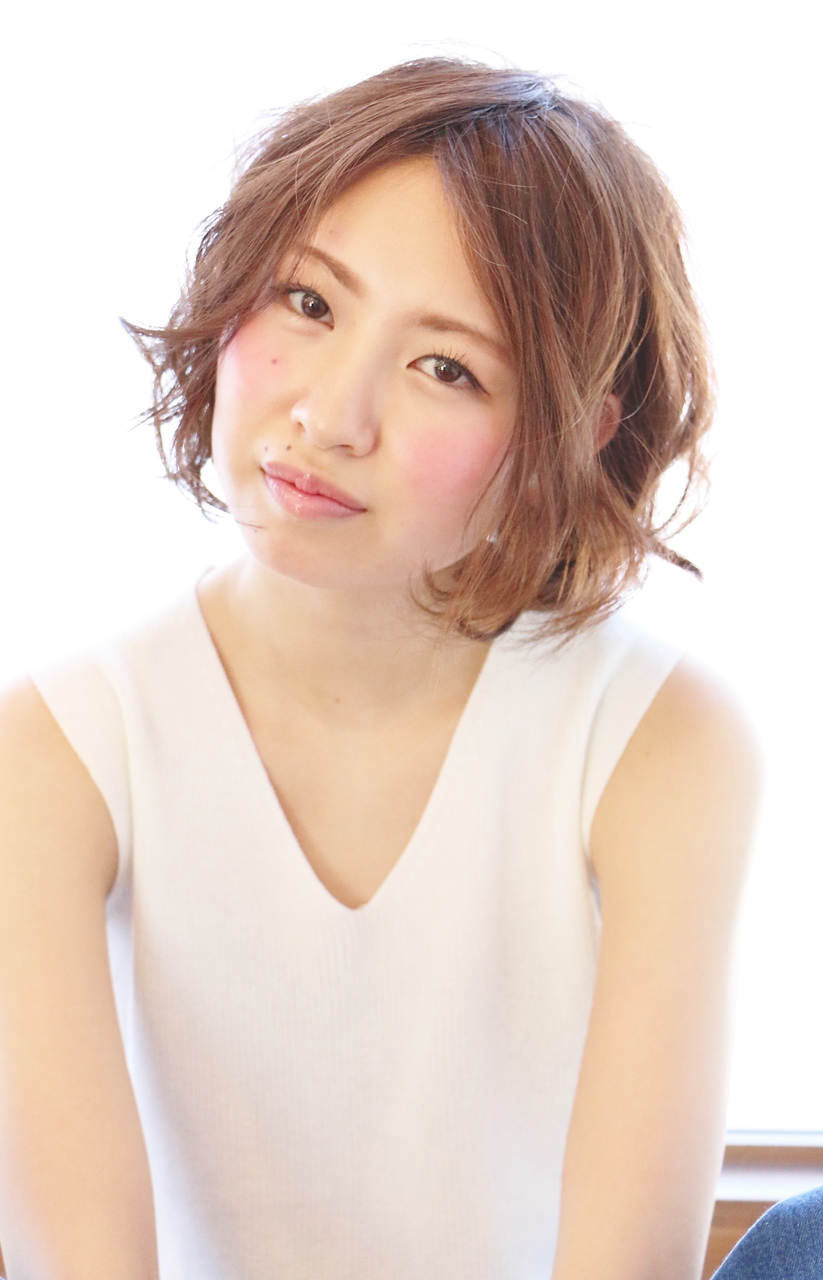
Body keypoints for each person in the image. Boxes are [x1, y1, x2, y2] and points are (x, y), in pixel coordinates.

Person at [0, 59, 760, 1280]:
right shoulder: (59, 743)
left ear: (572, 436)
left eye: (445, 366)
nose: (331, 417)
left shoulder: (656, 736)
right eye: (308, 302)